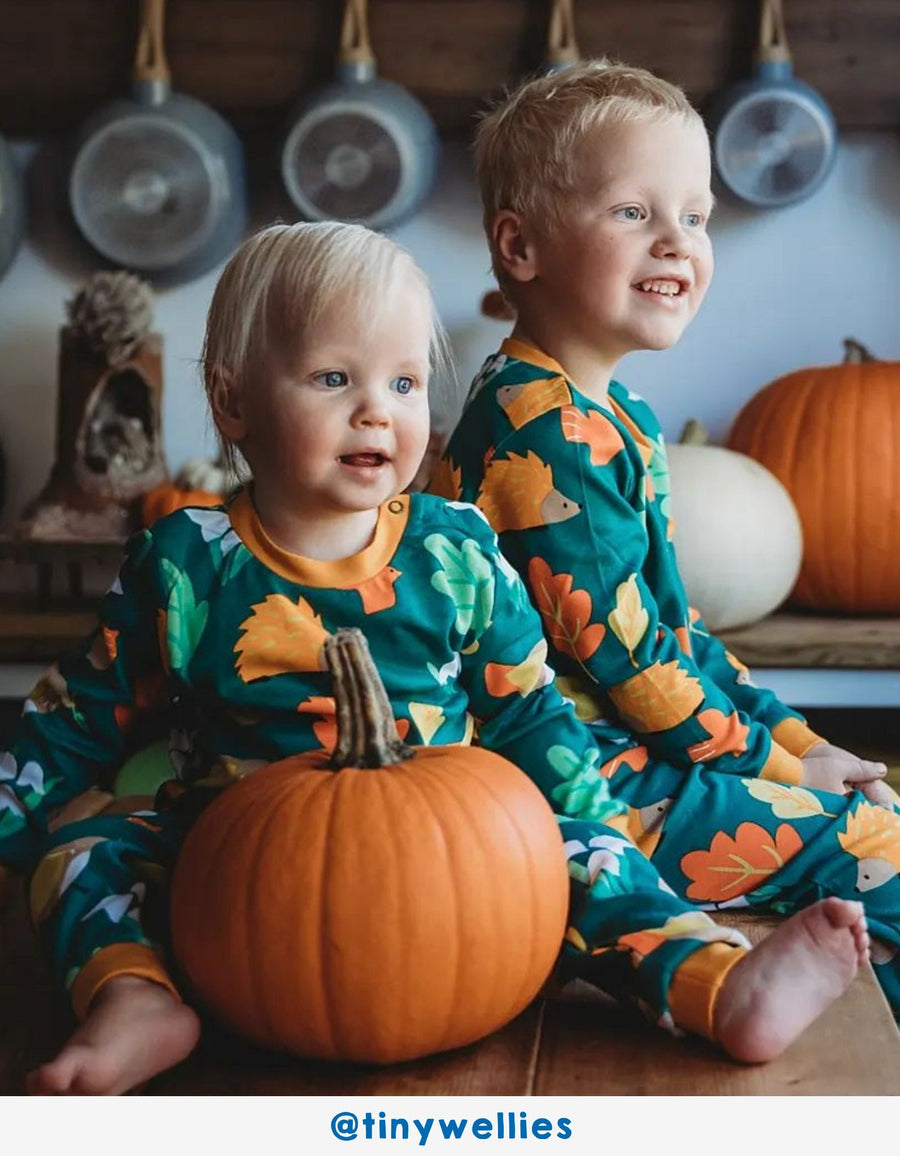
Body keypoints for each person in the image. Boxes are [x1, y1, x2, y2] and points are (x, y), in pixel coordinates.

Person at [0, 221, 869, 1098]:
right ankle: (137, 998)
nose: (377, 408)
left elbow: (530, 712)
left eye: (405, 381)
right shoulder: (187, 560)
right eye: (334, 378)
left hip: (446, 866)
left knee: (583, 861)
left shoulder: (454, 551)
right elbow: (79, 717)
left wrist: (601, 833)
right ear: (234, 404)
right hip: (239, 877)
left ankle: (715, 989)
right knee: (83, 851)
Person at [431, 60, 900, 1005]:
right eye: (633, 213)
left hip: (638, 751)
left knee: (865, 812)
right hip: (579, 787)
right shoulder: (541, 429)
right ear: (520, 247)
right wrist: (784, 764)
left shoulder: (616, 417)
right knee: (881, 848)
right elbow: (633, 665)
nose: (676, 242)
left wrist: (796, 741)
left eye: (696, 215)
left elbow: (674, 633)